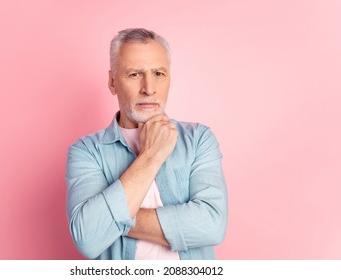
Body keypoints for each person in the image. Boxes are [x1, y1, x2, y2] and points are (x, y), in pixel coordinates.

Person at [66, 28, 228, 260]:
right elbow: (88, 239)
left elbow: (212, 225)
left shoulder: (198, 139)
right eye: (135, 74)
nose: (149, 88)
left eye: (159, 73)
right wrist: (150, 156)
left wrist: (110, 221)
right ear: (112, 82)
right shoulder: (86, 152)